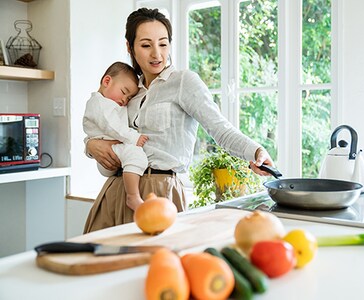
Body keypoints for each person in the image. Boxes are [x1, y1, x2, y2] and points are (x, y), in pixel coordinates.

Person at [83, 8, 274, 233]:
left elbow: (219, 128)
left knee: (157, 265)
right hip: (114, 190)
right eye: (146, 45)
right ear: (129, 47)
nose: (157, 54)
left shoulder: (184, 82)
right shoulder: (129, 90)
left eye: (163, 44)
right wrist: (90, 146)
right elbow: (102, 124)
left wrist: (255, 151)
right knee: (100, 263)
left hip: (159, 193)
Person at [83, 61, 149, 211]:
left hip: (111, 153)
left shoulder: (110, 103)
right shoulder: (99, 103)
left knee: (134, 155)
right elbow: (112, 126)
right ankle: (133, 196)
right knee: (136, 154)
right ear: (107, 81)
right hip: (109, 151)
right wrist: (133, 138)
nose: (125, 100)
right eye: (124, 92)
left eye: (129, 98)